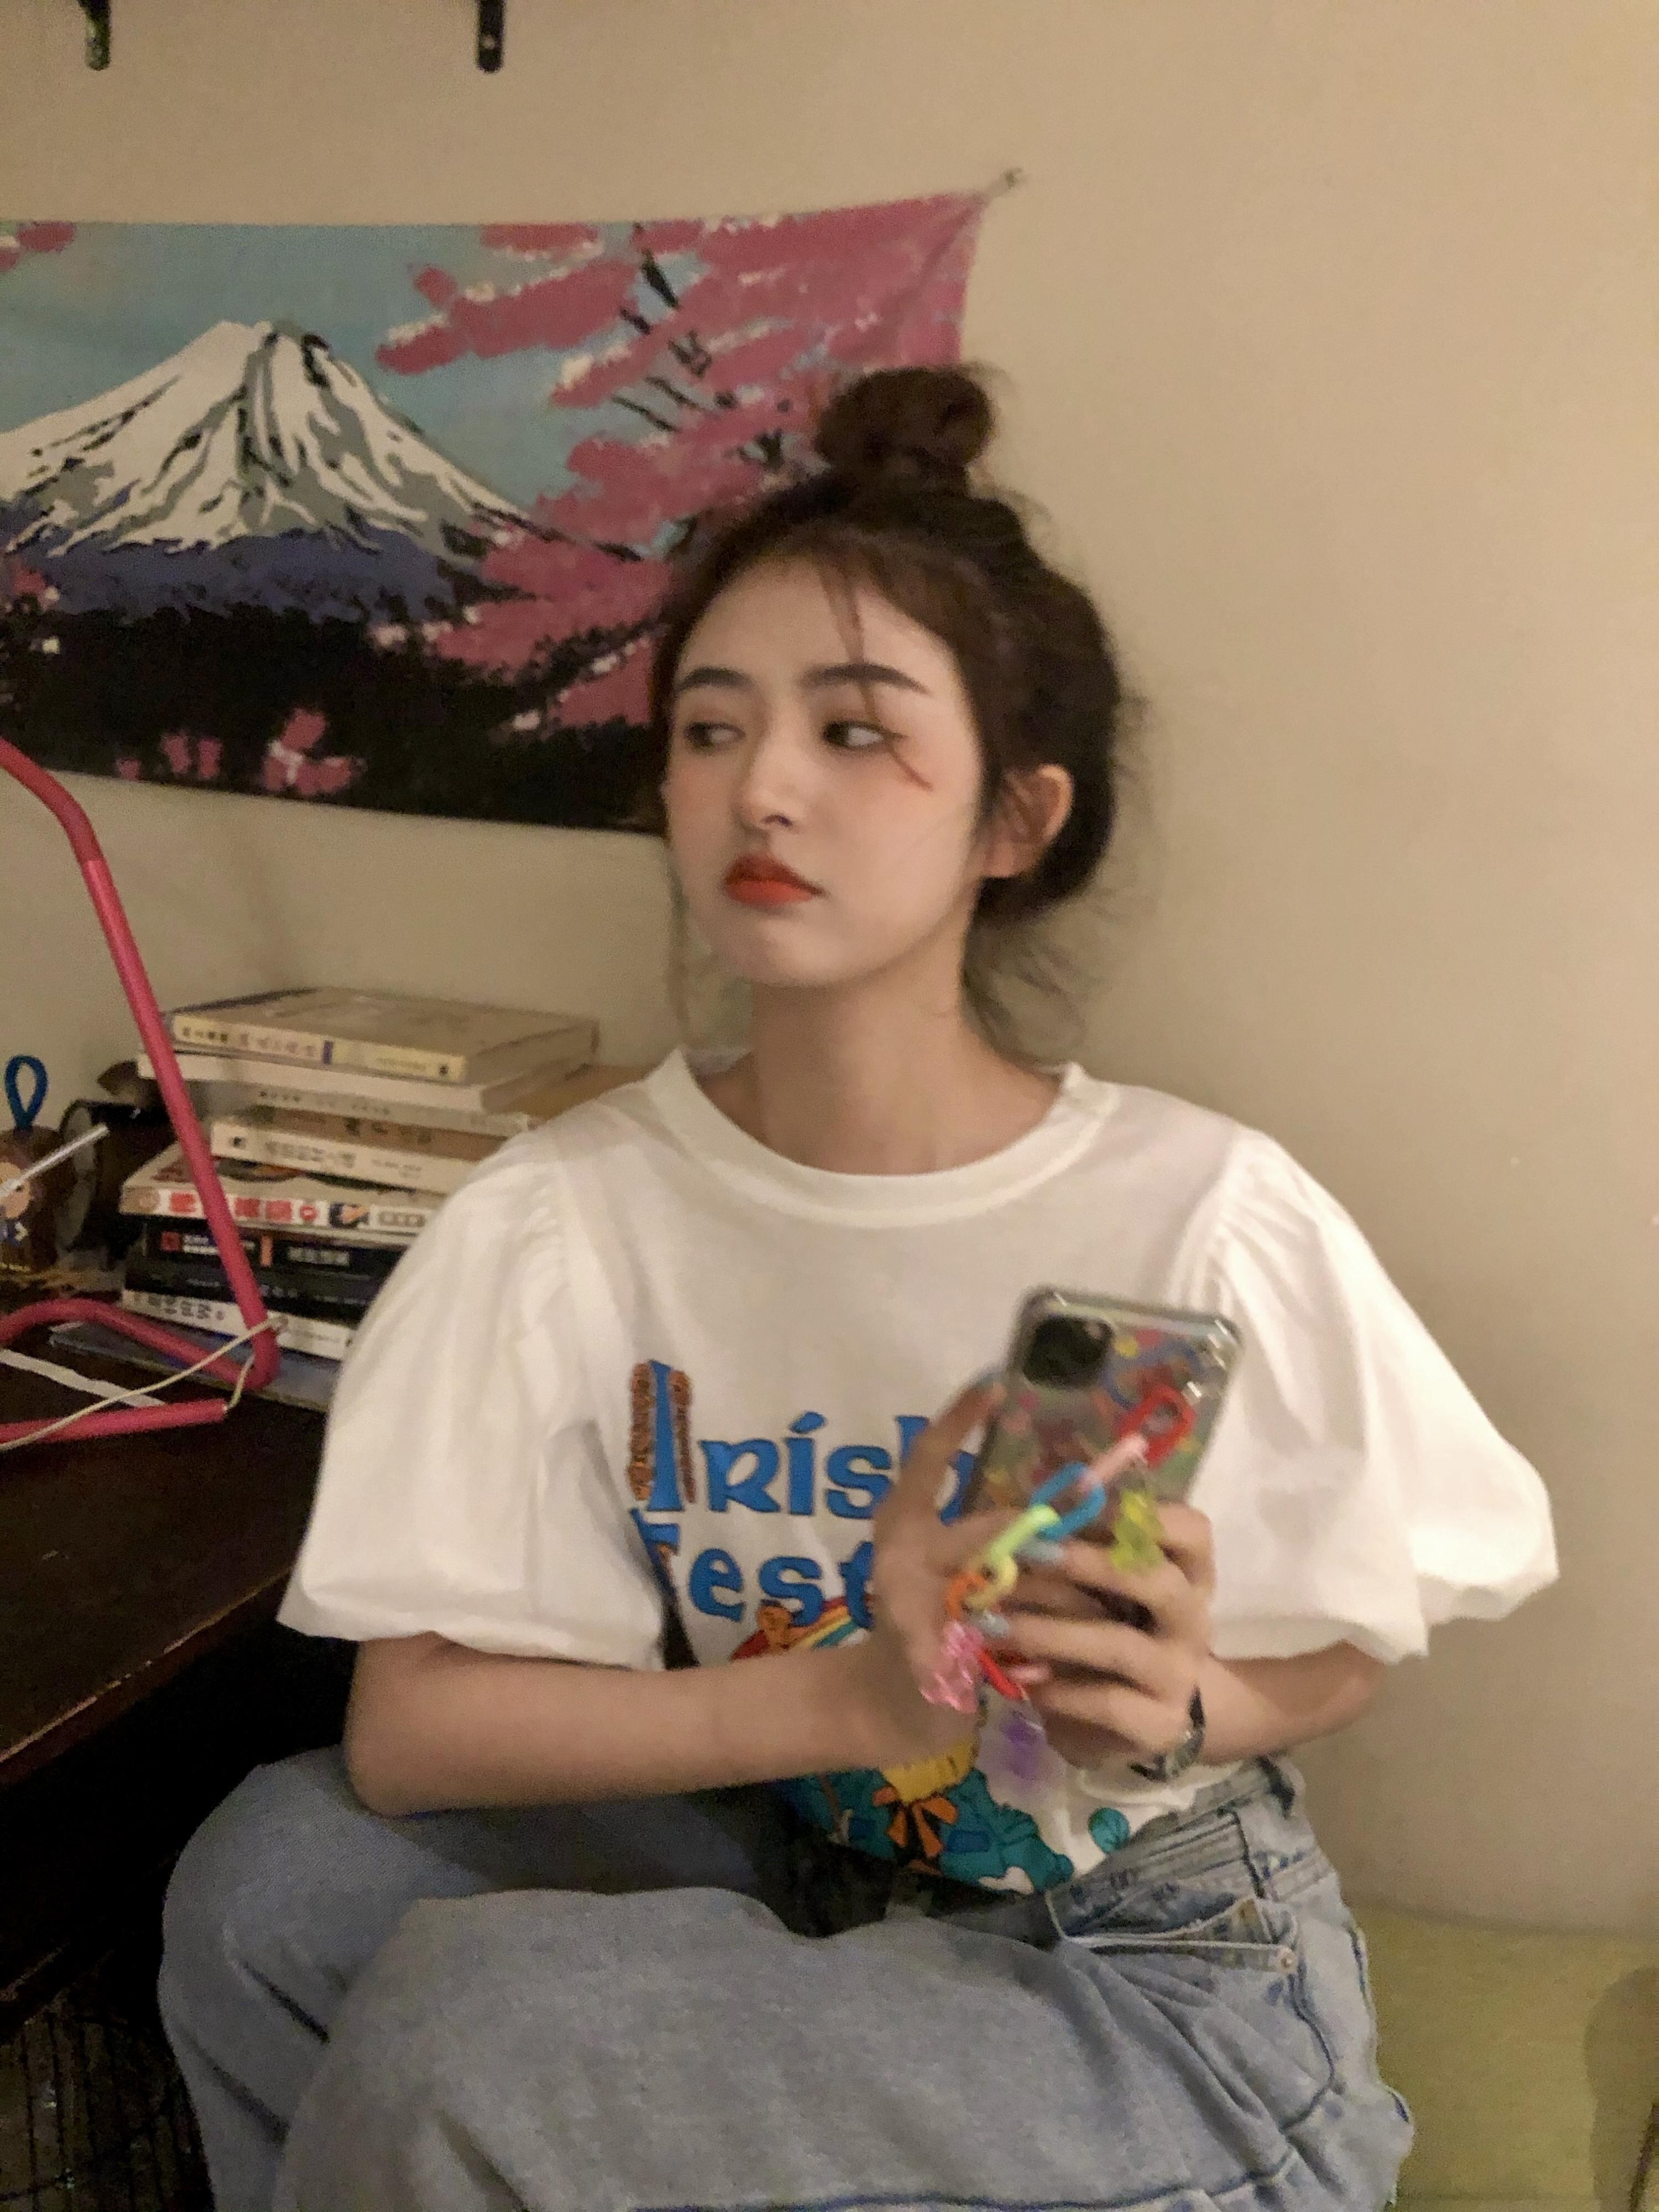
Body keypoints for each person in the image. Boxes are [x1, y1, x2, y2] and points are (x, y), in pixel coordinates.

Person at [159, 365, 1557, 2212]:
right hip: (806, 1857)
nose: (764, 788)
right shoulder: (568, 1221)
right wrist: (867, 1701)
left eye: (855, 731)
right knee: (270, 1890)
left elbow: (1352, 1641)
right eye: (711, 729)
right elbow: (413, 1734)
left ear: (1013, 819)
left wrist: (1179, 1705)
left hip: (1138, 1974)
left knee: (467, 2035)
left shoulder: (1196, 1212)